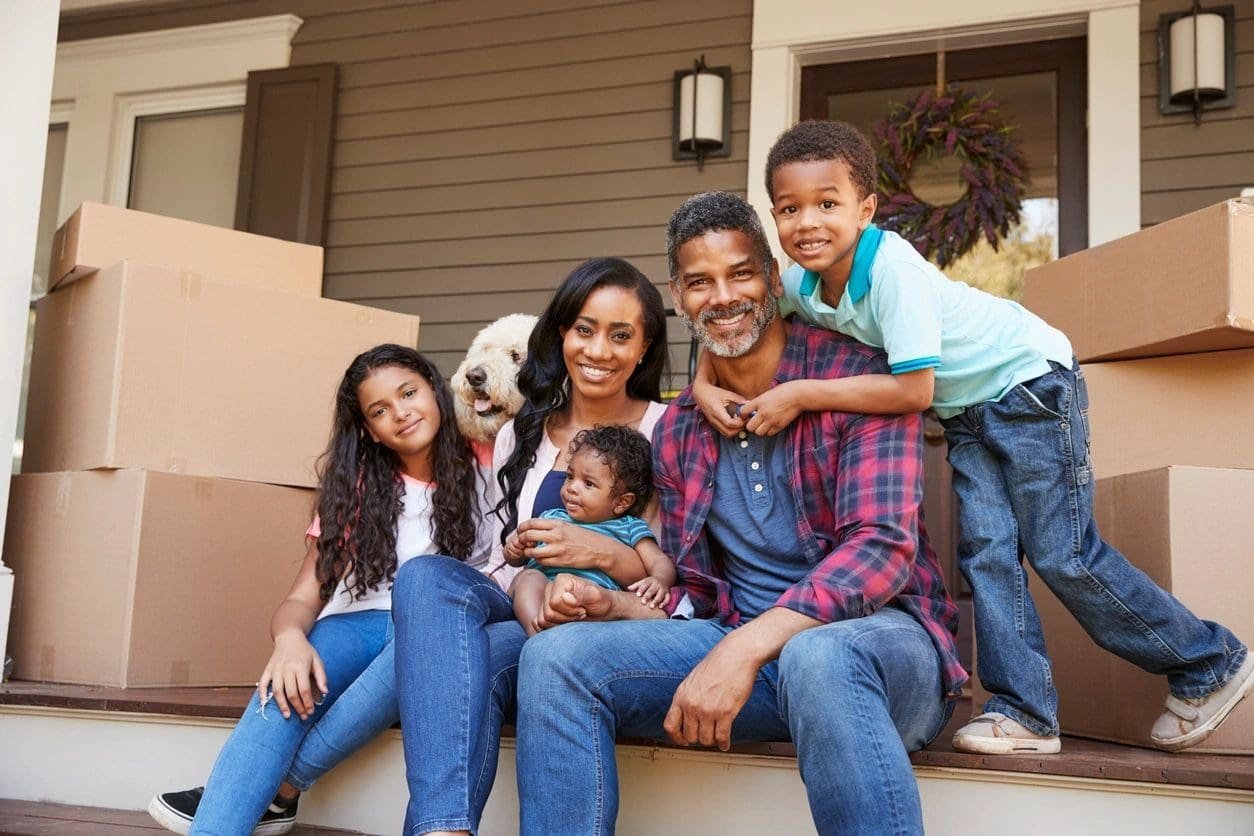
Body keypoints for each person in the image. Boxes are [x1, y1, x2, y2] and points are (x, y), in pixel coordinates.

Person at [693, 119, 1254, 755]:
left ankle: (1212, 660)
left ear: (866, 209)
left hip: (1029, 385)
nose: (808, 222)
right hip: (970, 413)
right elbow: (736, 321)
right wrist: (705, 383)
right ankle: (1026, 713)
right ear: (774, 218)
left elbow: (913, 392)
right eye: (791, 209)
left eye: (828, 204)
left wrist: (798, 393)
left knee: (1062, 552)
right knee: (987, 552)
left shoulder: (893, 271)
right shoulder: (799, 282)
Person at [512, 191, 963, 836]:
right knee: (556, 658)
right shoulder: (679, 430)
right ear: (678, 295)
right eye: (700, 282)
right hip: (737, 646)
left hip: (881, 649)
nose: (722, 296)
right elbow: (687, 585)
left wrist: (744, 649)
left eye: (741, 273)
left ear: (774, 278)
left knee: (820, 657)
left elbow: (881, 548)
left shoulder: (857, 379)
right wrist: (616, 604)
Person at [148, 345, 489, 836]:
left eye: (409, 393)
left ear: (435, 389)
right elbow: (303, 598)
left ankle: (283, 788)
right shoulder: (359, 489)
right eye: (380, 410)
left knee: (423, 649)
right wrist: (288, 641)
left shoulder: (484, 461)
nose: (401, 413)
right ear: (369, 429)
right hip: (357, 625)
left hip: (432, 630)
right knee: (283, 690)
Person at [388, 257, 671, 836]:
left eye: (621, 336)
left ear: (644, 349)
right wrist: (526, 590)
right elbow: (498, 555)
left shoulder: (669, 431)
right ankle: (445, 830)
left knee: (483, 658)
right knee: (424, 578)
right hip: (530, 603)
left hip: (614, 616)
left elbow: (673, 572)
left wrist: (594, 555)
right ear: (562, 333)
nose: (598, 349)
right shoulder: (525, 429)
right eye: (584, 329)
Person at [507, 424, 676, 634]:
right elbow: (520, 557)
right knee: (528, 578)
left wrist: (659, 579)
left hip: (589, 602)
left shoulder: (629, 528)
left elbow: (659, 561)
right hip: (541, 593)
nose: (571, 487)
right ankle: (536, 631)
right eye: (570, 476)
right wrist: (515, 550)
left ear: (622, 502)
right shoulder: (553, 518)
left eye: (588, 483)